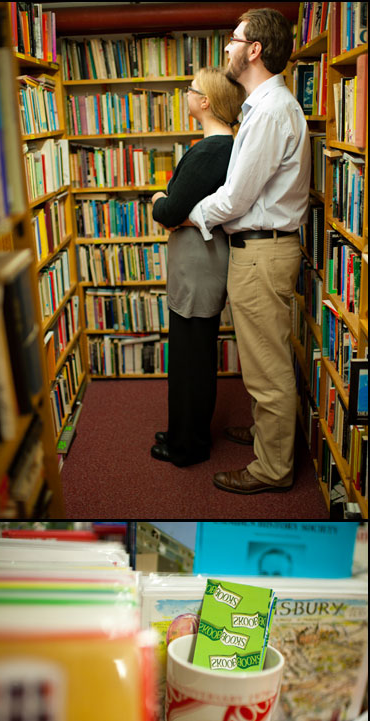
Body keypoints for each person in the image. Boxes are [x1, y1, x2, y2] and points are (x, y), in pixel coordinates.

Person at [181, 7, 311, 493]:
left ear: (254, 49)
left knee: (268, 367)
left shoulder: (271, 111)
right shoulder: (265, 107)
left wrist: (189, 215)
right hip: (259, 250)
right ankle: (266, 437)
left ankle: (272, 469)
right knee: (260, 359)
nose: (229, 49)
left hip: (262, 252)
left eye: (234, 40)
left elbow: (237, 196)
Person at [150, 67, 246, 467]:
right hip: (200, 261)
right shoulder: (224, 147)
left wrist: (158, 197)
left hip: (198, 264)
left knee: (190, 359)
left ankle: (187, 446)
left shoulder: (211, 150)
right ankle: (183, 432)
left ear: (205, 102)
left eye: (190, 90)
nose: (186, 94)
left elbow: (170, 209)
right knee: (194, 354)